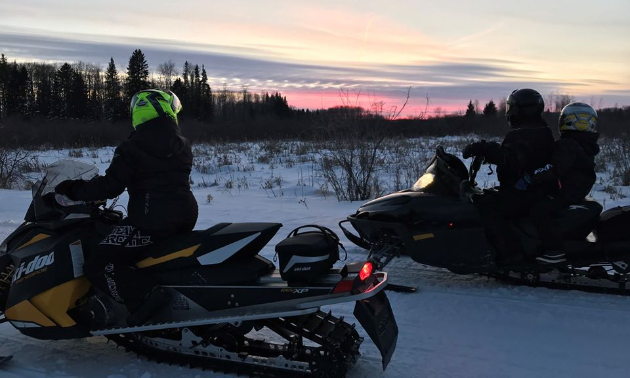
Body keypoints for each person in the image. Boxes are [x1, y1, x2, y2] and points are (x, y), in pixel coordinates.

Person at [55, 89, 198, 326]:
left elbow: (110, 186)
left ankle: (145, 301)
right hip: (185, 214)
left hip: (150, 221)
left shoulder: (133, 147)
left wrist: (73, 189)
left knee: (98, 263)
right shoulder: (182, 143)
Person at [462, 88, 554, 264]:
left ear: (524, 110)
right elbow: (514, 153)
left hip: (527, 191)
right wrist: (487, 149)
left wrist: (483, 148)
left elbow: (510, 157)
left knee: (486, 206)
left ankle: (510, 255)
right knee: (488, 197)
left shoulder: (527, 133)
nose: (510, 112)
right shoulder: (538, 129)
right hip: (533, 189)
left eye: (512, 107)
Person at [525, 102, 600, 264]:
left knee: (539, 209)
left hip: (567, 192)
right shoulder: (586, 143)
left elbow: (555, 168)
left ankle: (554, 250)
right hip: (576, 190)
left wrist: (532, 177)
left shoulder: (568, 144)